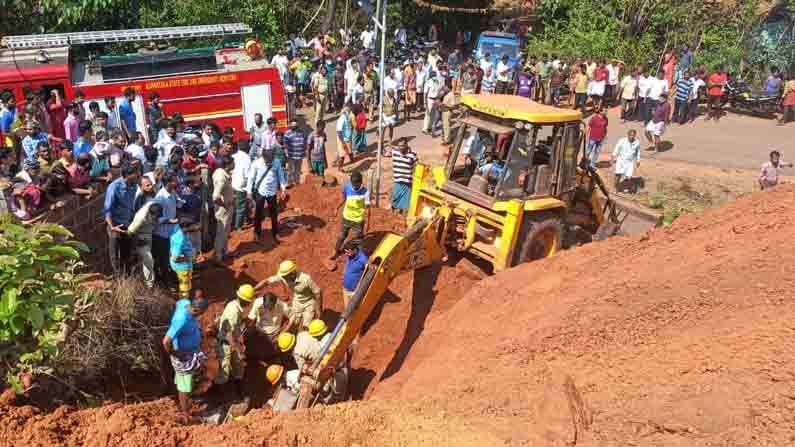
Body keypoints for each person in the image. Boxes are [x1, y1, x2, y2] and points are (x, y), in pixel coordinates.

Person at [163, 293, 208, 423]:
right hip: (183, 355)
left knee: (192, 375)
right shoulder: (181, 319)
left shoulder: (184, 303)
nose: (202, 316)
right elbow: (166, 341)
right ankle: (186, 415)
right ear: (197, 310)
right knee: (184, 385)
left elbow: (176, 302)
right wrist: (176, 354)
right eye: (202, 313)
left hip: (191, 352)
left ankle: (187, 397)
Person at [256, 261, 322, 331]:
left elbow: (318, 293)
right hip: (297, 301)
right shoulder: (283, 277)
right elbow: (266, 282)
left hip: (309, 303)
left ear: (292, 273)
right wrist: (254, 289)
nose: (283, 278)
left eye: (285, 276)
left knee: (307, 326)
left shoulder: (306, 279)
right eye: (283, 276)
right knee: (294, 322)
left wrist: (318, 309)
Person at [214, 284, 254, 396]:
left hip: (233, 342)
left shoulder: (235, 306)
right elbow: (228, 334)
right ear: (246, 301)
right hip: (226, 344)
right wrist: (237, 350)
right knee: (224, 373)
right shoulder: (234, 311)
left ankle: (239, 392)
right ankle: (217, 394)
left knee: (239, 369)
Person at [247, 148, 287, 245]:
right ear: (263, 157)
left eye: (271, 159)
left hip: (272, 192)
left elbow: (281, 176)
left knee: (273, 213)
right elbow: (251, 178)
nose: (269, 161)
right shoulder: (256, 164)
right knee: (258, 214)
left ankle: (275, 233)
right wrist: (249, 192)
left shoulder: (276, 162)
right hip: (260, 192)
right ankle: (257, 233)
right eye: (267, 159)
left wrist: (283, 189)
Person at [104, 163, 138, 274]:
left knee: (127, 251)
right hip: (115, 224)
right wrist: (112, 226)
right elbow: (107, 209)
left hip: (127, 222)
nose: (137, 175)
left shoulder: (134, 185)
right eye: (134, 174)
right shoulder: (114, 187)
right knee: (114, 251)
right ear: (126, 175)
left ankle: (127, 276)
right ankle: (117, 276)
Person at [152, 173, 182, 288]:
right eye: (174, 180)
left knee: (171, 257)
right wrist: (170, 221)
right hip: (161, 234)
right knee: (164, 260)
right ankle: (166, 282)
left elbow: (179, 204)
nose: (177, 182)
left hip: (171, 232)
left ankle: (171, 278)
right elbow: (157, 218)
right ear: (168, 183)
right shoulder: (160, 198)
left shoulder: (172, 192)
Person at [332, 171, 369, 259]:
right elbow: (343, 198)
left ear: (360, 182)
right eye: (352, 184)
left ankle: (360, 257)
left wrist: (367, 222)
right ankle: (336, 251)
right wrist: (337, 208)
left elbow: (368, 208)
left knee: (359, 240)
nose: (354, 186)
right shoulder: (347, 187)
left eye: (356, 184)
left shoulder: (365, 192)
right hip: (346, 217)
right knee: (341, 236)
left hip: (358, 220)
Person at [127, 201, 162, 288]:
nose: (156, 220)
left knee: (147, 261)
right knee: (148, 260)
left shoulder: (154, 207)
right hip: (140, 237)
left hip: (148, 234)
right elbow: (129, 232)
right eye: (155, 218)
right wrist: (138, 241)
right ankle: (149, 285)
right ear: (150, 214)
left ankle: (143, 280)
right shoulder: (141, 219)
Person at [212, 155, 234, 264]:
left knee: (225, 231)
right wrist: (224, 205)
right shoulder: (221, 178)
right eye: (232, 163)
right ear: (228, 165)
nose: (234, 165)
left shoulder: (220, 172)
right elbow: (215, 197)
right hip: (223, 210)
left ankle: (224, 252)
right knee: (221, 232)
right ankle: (218, 257)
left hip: (226, 207)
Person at [391, 139, 418, 213]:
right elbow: (383, 152)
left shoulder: (412, 154)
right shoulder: (394, 152)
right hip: (398, 182)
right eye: (399, 146)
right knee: (395, 200)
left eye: (402, 146)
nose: (400, 147)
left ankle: (402, 217)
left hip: (407, 182)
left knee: (405, 205)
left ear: (406, 145)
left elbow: (417, 165)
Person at [170, 220, 194, 299]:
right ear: (186, 227)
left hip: (181, 266)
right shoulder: (180, 240)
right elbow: (175, 258)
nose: (194, 227)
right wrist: (188, 258)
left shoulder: (177, 228)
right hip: (183, 267)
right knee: (184, 289)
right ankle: (184, 303)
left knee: (183, 285)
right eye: (192, 225)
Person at [284, 120, 307, 186]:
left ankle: (296, 182)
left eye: (296, 126)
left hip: (299, 155)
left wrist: (304, 152)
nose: (295, 127)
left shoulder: (302, 132)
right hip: (291, 156)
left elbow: (304, 143)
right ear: (290, 126)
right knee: (290, 170)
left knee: (298, 170)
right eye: (293, 126)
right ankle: (289, 183)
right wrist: (287, 154)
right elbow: (285, 145)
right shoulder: (287, 133)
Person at [335, 104, 353, 168]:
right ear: (345, 111)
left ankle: (352, 160)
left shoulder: (347, 117)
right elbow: (339, 131)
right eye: (349, 111)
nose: (350, 112)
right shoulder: (341, 119)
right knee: (342, 155)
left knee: (350, 150)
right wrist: (343, 143)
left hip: (347, 138)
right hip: (343, 139)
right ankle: (340, 167)